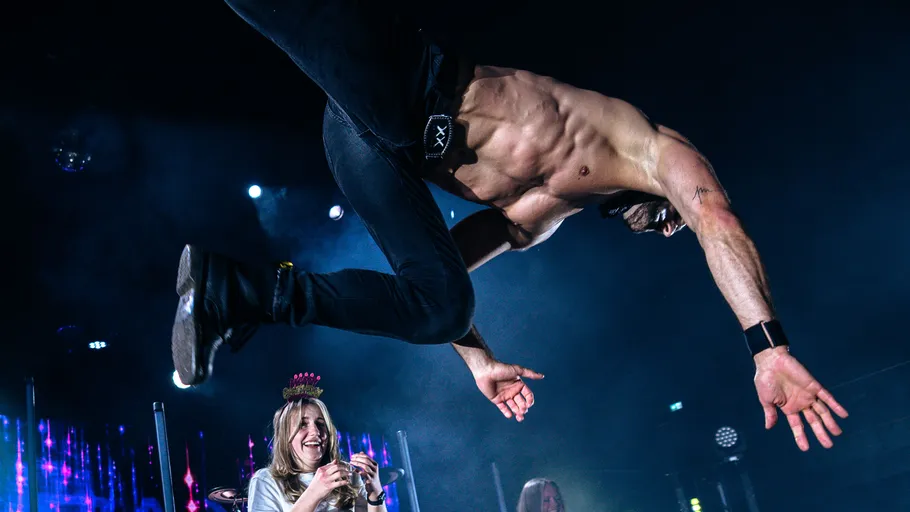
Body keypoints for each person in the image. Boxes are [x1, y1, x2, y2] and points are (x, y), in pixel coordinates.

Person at [170, 0, 848, 451]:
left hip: (375, 147)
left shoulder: (550, 209)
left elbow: (438, 280)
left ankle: (238, 292)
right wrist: (768, 347)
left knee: (438, 308)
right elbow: (716, 218)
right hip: (407, 80)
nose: (667, 229)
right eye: (675, 225)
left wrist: (479, 359)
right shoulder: (650, 146)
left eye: (664, 232)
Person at [247, 372, 388, 512]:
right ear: (285, 436)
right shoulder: (266, 480)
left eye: (320, 424)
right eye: (302, 424)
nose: (315, 432)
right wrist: (314, 493)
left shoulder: (347, 474)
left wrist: (376, 493)